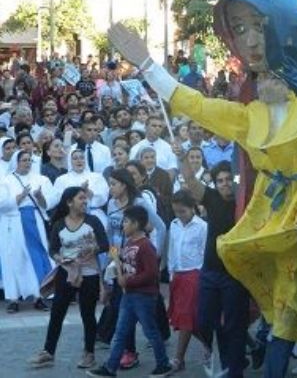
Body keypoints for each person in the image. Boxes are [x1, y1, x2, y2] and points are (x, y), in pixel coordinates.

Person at [108, 0, 297, 360]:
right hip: (268, 212)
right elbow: (194, 104)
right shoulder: (248, 118)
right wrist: (147, 64)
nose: (249, 42)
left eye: (258, 28)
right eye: (240, 30)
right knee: (283, 307)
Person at [28, 187, 109, 369]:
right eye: (81, 198)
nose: (85, 201)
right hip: (66, 273)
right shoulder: (59, 224)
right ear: (69, 202)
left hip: (89, 273)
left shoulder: (93, 221)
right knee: (57, 313)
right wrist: (59, 259)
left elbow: (105, 244)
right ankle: (48, 352)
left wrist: (93, 249)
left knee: (87, 314)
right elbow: (53, 249)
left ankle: (89, 354)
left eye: (86, 198)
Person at [182, 161, 250, 378]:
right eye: (220, 181)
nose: (225, 184)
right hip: (210, 271)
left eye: (229, 179)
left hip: (235, 274)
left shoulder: (245, 202)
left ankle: (234, 370)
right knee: (203, 321)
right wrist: (181, 156)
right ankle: (225, 356)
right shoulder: (211, 198)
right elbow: (191, 180)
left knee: (235, 326)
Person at [87, 206, 173, 377]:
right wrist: (115, 258)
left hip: (144, 296)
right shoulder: (128, 243)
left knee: (150, 331)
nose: (123, 225)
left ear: (135, 224)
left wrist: (128, 281)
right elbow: (120, 258)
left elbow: (152, 273)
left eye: (126, 222)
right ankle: (110, 367)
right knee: (120, 332)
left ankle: (163, 364)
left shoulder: (146, 246)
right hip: (129, 295)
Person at [0, 150, 55, 313]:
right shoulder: (6, 180)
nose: (27, 163)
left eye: (29, 160)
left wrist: (39, 197)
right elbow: (2, 203)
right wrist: (20, 196)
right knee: (13, 259)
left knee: (35, 258)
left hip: (34, 222)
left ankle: (38, 296)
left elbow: (49, 202)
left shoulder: (40, 179)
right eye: (24, 160)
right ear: (16, 162)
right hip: (13, 223)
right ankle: (13, 298)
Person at [166, 190, 210, 371]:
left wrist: (202, 276)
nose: (179, 215)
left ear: (192, 208)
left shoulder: (202, 227)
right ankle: (212, 346)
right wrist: (170, 273)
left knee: (186, 317)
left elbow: (205, 253)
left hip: (194, 274)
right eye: (176, 211)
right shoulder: (174, 224)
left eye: (182, 211)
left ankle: (178, 358)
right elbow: (172, 249)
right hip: (178, 274)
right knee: (183, 318)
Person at [54, 149, 110, 229]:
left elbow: (104, 197)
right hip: (71, 218)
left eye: (81, 158)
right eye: (75, 158)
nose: (79, 160)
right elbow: (59, 200)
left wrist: (88, 192)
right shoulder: (61, 179)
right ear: (70, 161)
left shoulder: (97, 177)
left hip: (95, 215)